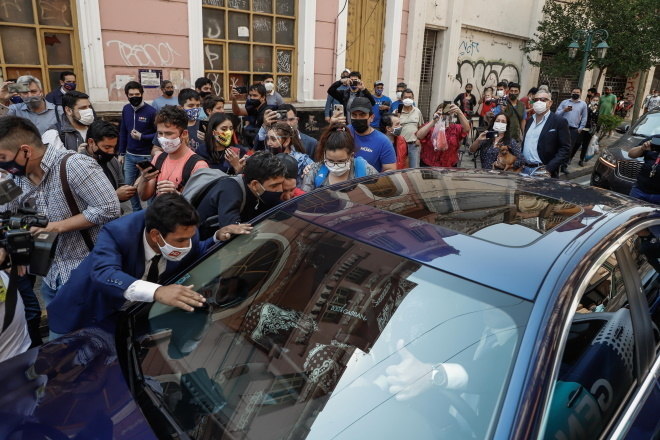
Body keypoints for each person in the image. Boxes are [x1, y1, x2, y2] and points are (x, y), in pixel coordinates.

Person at [46, 193, 252, 335]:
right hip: (81, 316)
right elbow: (103, 273)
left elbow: (194, 251)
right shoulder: (117, 233)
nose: (187, 244)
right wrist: (158, 292)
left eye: (190, 238)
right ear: (155, 235)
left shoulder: (186, 231)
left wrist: (217, 236)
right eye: (180, 241)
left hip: (126, 322)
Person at [0, 117, 120, 303]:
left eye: (3, 158)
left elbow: (109, 208)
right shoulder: (15, 178)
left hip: (87, 272)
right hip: (50, 277)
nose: (3, 166)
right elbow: (4, 214)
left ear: (25, 151)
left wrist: (55, 227)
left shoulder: (74, 165)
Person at [195, 151, 285, 238]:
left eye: (281, 184)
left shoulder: (256, 189)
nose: (280, 189)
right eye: (274, 186)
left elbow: (284, 211)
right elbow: (232, 233)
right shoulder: (230, 191)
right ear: (254, 184)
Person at [138, 106, 208, 201]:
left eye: (169, 134)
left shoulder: (198, 165)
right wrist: (144, 179)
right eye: (160, 133)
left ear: (184, 134)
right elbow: (144, 196)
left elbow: (201, 204)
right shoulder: (158, 158)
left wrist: (178, 195)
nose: (163, 139)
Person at [301, 123, 377, 192]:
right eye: (330, 160)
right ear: (324, 154)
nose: (335, 165)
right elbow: (304, 202)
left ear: (351, 155)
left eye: (341, 161)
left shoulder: (365, 170)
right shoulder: (315, 171)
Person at [118, 81, 157, 212]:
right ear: (127, 95)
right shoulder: (126, 109)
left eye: (137, 94)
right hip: (129, 155)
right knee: (129, 187)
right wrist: (121, 152)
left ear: (142, 94)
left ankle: (151, 212)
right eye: (131, 94)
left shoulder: (151, 111)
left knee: (150, 185)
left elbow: (158, 134)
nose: (134, 96)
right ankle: (137, 211)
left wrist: (142, 136)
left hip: (146, 156)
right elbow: (123, 131)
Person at [331, 97, 396, 172]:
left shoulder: (383, 142)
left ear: (371, 117)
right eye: (354, 115)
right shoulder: (344, 131)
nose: (358, 118)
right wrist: (332, 127)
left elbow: (390, 170)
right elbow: (328, 152)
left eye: (362, 115)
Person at [81, 120, 137, 203]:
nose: (111, 152)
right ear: (91, 142)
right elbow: (82, 201)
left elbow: (120, 186)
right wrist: (114, 195)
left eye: (114, 147)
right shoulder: (79, 165)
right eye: (107, 147)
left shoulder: (113, 161)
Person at [520, 90, 572, 177]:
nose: (538, 102)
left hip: (542, 171)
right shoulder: (529, 120)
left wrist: (549, 168)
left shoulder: (559, 121)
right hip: (524, 169)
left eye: (543, 100)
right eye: (536, 100)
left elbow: (565, 148)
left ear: (550, 103)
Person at [417, 103, 470, 168]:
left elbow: (467, 129)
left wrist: (459, 112)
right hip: (428, 164)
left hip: (449, 165)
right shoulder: (430, 126)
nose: (443, 115)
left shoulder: (456, 128)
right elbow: (419, 136)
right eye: (441, 112)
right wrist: (434, 121)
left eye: (446, 112)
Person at [231, 83, 275, 149]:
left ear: (263, 97)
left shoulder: (268, 111)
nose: (252, 98)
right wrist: (234, 99)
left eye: (255, 95)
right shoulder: (254, 108)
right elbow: (237, 112)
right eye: (250, 95)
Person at [556, 87, 588, 170]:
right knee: (559, 146)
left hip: (574, 129)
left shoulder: (583, 104)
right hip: (562, 128)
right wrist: (564, 110)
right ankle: (556, 164)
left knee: (569, 148)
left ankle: (564, 166)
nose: (575, 93)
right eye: (574, 92)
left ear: (580, 94)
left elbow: (584, 117)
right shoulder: (565, 102)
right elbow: (556, 114)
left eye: (577, 92)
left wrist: (581, 128)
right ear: (571, 92)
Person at [395, 89, 424, 168]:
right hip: (400, 144)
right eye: (405, 97)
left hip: (414, 144)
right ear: (401, 99)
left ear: (413, 98)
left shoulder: (417, 111)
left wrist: (419, 139)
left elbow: (421, 127)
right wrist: (398, 116)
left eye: (410, 97)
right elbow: (393, 128)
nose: (408, 99)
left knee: (414, 167)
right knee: (400, 166)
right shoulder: (396, 112)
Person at [627, 135, 660, 204]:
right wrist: (642, 148)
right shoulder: (655, 139)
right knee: (632, 213)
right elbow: (631, 154)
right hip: (639, 190)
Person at [575, 95, 600, 167]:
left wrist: (595, 129)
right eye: (594, 100)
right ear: (591, 100)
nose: (595, 102)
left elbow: (596, 120)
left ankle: (581, 160)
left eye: (597, 100)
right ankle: (570, 158)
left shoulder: (597, 110)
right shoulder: (586, 108)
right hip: (582, 129)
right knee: (577, 143)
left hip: (590, 131)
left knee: (585, 146)